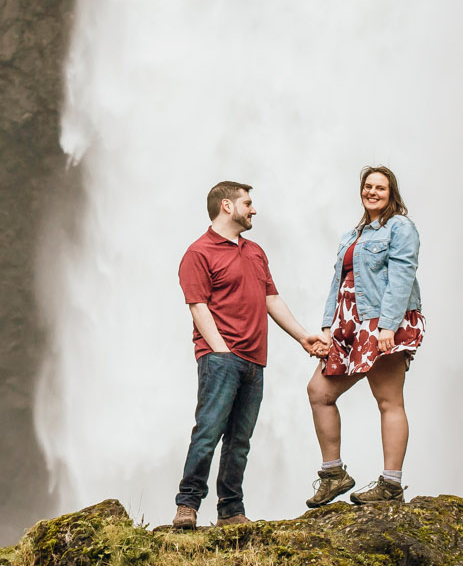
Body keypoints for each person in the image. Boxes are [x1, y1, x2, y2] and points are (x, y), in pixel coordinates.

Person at [174, 180, 325, 530]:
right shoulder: (199, 253)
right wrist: (221, 351)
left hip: (255, 360)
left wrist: (304, 336)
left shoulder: (255, 251)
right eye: (248, 202)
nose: (253, 209)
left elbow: (271, 299)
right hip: (220, 357)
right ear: (227, 206)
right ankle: (188, 504)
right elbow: (198, 306)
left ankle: (230, 509)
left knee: (240, 439)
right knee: (209, 431)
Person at [305, 166, 423, 507]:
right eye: (368, 186)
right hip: (348, 328)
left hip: (379, 324)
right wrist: (328, 328)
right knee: (318, 392)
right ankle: (334, 475)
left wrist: (388, 326)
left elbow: (402, 275)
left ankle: (390, 485)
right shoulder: (352, 235)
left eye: (380, 187)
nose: (373, 192)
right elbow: (337, 284)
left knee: (388, 401)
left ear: (391, 192)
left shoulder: (400, 227)